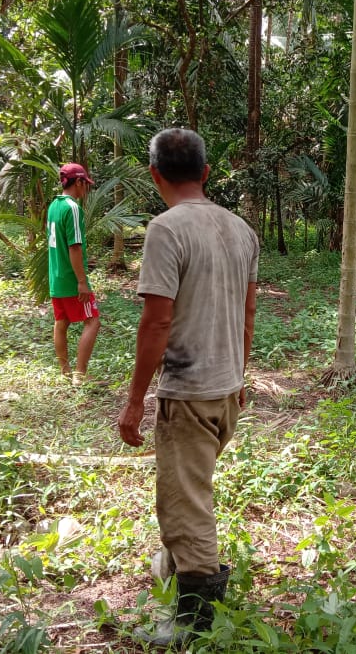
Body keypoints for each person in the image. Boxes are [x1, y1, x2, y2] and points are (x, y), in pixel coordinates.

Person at [117, 128, 259, 647]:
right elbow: (247, 312)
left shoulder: (166, 229)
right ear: (204, 172)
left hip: (189, 391)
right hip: (225, 390)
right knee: (186, 491)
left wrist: (135, 402)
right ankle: (175, 574)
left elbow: (156, 322)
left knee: (186, 505)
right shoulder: (241, 229)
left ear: (155, 175)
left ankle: (195, 620)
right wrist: (241, 377)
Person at [47, 163, 101, 386]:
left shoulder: (54, 206)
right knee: (93, 321)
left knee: (61, 322)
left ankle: (65, 372)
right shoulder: (72, 208)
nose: (86, 189)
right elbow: (75, 247)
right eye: (85, 184)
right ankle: (80, 375)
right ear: (78, 182)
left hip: (56, 278)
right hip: (71, 279)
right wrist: (82, 282)